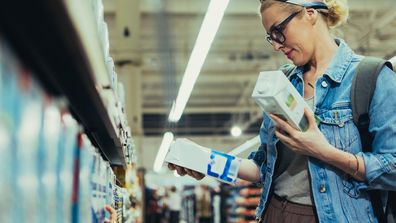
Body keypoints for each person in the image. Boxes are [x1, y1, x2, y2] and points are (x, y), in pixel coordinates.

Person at [169, 0, 396, 222]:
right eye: (271, 37)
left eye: (279, 30)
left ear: (310, 13)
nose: (276, 45)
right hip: (275, 212)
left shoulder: (372, 78)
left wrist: (325, 152)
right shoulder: (285, 82)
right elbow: (263, 167)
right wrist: (205, 159)